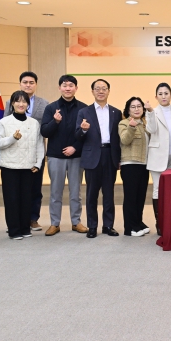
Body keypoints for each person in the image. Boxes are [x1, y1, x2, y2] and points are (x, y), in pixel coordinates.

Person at [39, 75, 88, 236]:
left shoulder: (84, 108)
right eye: (64, 85)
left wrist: (75, 147)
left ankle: (76, 222)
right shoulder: (51, 108)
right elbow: (44, 132)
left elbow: (87, 133)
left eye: (71, 85)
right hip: (56, 156)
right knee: (55, 192)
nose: (68, 88)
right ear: (59, 88)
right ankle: (55, 223)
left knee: (76, 192)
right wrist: (55, 122)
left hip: (76, 156)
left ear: (76, 88)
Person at [0, 90, 45, 240]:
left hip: (28, 167)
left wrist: (38, 163)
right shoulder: (4, 122)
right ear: (12, 103)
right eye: (18, 101)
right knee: (12, 199)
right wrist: (12, 138)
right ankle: (14, 230)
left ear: (28, 104)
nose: (21, 104)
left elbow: (39, 145)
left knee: (26, 199)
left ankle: (25, 228)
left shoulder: (34, 123)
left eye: (24, 101)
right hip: (10, 167)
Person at [75, 79, 122, 238]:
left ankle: (108, 226)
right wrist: (83, 130)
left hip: (110, 155)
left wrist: (119, 158)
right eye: (97, 88)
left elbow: (118, 138)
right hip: (92, 156)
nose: (101, 91)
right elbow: (77, 135)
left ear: (108, 91)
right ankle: (92, 226)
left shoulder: (116, 112)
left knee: (109, 194)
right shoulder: (84, 112)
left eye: (104, 88)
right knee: (92, 194)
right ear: (92, 91)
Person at [4, 71, 49, 232]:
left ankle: (33, 219)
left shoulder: (44, 103)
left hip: (35, 151)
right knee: (16, 190)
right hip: (15, 152)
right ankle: (17, 222)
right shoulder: (10, 102)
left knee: (35, 188)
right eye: (25, 82)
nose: (28, 85)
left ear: (35, 85)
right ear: (20, 84)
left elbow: (46, 127)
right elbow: (5, 124)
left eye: (31, 82)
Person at [146, 83, 171, 236]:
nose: (163, 96)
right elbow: (151, 129)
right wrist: (150, 112)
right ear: (156, 96)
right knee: (158, 189)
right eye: (160, 94)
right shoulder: (152, 112)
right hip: (158, 156)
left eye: (166, 93)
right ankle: (159, 223)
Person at [119, 96, 150, 237]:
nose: (136, 109)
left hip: (144, 164)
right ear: (128, 109)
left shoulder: (144, 124)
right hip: (130, 164)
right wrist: (131, 127)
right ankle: (130, 228)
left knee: (140, 196)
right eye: (133, 107)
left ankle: (138, 222)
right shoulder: (124, 123)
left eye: (139, 106)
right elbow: (125, 140)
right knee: (131, 197)